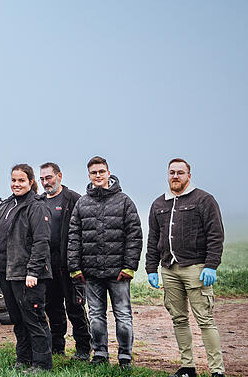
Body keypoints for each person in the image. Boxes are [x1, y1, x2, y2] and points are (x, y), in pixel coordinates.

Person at [146, 158, 226, 377]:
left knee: (205, 320)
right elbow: (153, 239)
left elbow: (215, 235)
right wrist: (151, 268)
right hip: (169, 270)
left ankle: (217, 371)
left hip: (196, 269)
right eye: (172, 172)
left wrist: (211, 265)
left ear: (189, 175)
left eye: (180, 173)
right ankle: (188, 367)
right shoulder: (159, 204)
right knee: (179, 319)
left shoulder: (204, 200)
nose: (175, 176)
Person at [67, 156, 142, 369]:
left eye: (101, 171)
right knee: (96, 316)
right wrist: (75, 267)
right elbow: (74, 236)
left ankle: (125, 356)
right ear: (89, 176)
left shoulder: (124, 201)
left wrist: (129, 267)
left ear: (109, 173)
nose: (98, 176)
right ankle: (99, 354)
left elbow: (134, 236)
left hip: (118, 273)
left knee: (123, 316)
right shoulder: (82, 202)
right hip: (91, 273)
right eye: (93, 173)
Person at [0, 164, 53, 372]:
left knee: (34, 320)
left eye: (21, 181)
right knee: (17, 320)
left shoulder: (36, 206)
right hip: (6, 272)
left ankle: (42, 363)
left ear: (31, 182)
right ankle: (23, 359)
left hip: (27, 275)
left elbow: (41, 241)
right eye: (14, 180)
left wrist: (33, 271)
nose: (16, 184)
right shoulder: (6, 205)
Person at [39, 162, 91, 360]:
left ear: (59, 176)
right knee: (52, 308)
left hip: (69, 264)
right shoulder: (40, 201)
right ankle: (57, 347)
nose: (45, 182)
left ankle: (83, 349)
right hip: (47, 265)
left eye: (49, 178)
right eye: (42, 179)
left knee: (75, 307)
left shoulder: (73, 199)